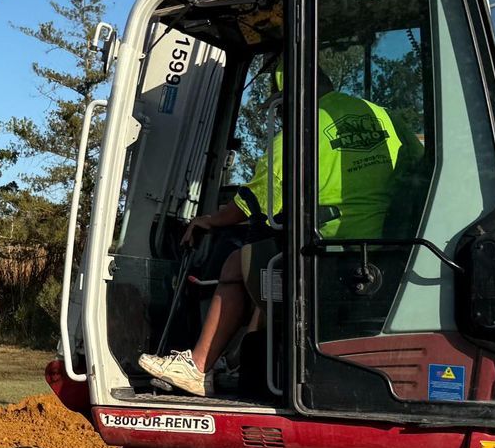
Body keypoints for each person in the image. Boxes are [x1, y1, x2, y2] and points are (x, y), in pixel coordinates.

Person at [139, 62, 406, 397]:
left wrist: (210, 220)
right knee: (267, 262)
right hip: (389, 246)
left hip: (331, 251)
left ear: (287, 98)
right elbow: (415, 163)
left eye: (277, 106)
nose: (279, 117)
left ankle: (198, 364)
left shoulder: (299, 133)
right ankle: (237, 361)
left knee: (240, 261)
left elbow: (254, 201)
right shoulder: (382, 116)